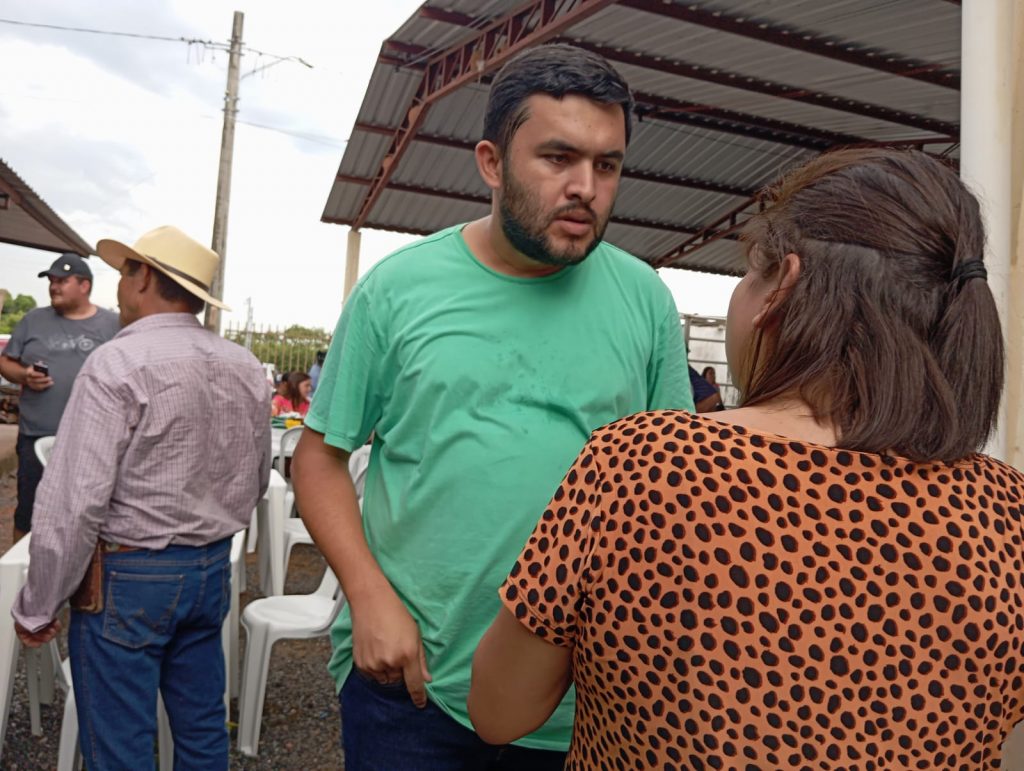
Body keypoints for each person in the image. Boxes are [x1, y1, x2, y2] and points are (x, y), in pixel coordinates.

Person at [469, 148, 1024, 769]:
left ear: (779, 285)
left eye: (747, 272)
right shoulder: (1006, 514)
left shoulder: (643, 466)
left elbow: (499, 710)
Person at [293, 43, 694, 768]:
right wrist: (367, 594)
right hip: (413, 686)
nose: (586, 187)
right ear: (490, 162)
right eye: (558, 158)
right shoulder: (398, 289)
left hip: (585, 701)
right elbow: (318, 457)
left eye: (607, 165)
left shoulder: (646, 301)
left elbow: (672, 489)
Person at [12, 225, 271, 770]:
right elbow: (255, 479)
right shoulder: (244, 365)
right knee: (202, 731)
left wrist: (38, 605)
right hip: (208, 567)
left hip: (130, 576)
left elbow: (72, 504)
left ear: (146, 277)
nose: (118, 289)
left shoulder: (116, 363)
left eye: (125, 272)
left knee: (122, 745)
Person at [0, 253, 120, 541]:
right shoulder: (33, 320)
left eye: (62, 281)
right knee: (29, 511)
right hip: (36, 436)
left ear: (84, 286)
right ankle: (24, 576)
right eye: (51, 281)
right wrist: (24, 375)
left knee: (85, 515)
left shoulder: (114, 325)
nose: (54, 286)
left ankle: (79, 581)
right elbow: (5, 362)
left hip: (92, 440)